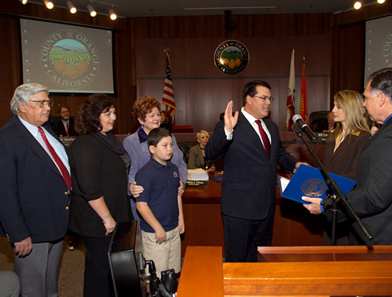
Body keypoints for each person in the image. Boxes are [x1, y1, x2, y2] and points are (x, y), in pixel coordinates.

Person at [303, 68, 392, 254]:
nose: (364, 104)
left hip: (387, 237)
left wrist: (326, 205)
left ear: (382, 99)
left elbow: (374, 196)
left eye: (366, 98)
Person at [0, 83, 71, 296]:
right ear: (21, 106)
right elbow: (2, 192)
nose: (47, 107)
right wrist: (18, 233)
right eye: (40, 103)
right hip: (31, 230)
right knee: (33, 288)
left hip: (55, 221)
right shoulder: (4, 139)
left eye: (47, 102)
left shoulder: (46, 130)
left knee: (50, 283)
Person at [205, 80, 303, 262]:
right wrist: (227, 130)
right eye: (263, 98)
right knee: (237, 262)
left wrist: (297, 166)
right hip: (239, 209)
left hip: (266, 207)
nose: (268, 102)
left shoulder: (271, 127)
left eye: (270, 98)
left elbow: (279, 155)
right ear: (249, 99)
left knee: (258, 260)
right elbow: (211, 152)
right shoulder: (230, 123)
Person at [68, 94, 132, 297]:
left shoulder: (108, 139)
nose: (113, 117)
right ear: (93, 116)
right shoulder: (86, 144)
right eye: (107, 113)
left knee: (109, 270)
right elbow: (89, 187)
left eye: (114, 112)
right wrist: (107, 219)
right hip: (99, 220)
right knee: (99, 271)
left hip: (115, 213)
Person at [123, 96, 187, 229]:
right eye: (151, 115)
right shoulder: (131, 141)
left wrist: (181, 181)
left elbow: (180, 164)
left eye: (158, 114)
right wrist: (131, 186)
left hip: (170, 198)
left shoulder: (170, 137)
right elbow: (131, 169)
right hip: (148, 200)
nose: (157, 118)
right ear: (140, 119)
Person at [317, 90, 371, 245]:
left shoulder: (363, 138)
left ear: (351, 108)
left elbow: (356, 174)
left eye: (338, 107)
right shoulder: (332, 136)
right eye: (334, 105)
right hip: (329, 204)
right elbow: (326, 166)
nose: (333, 111)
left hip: (347, 205)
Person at [135, 127, 185, 279]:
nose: (170, 149)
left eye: (171, 145)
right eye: (164, 145)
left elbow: (178, 195)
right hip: (155, 233)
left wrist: (181, 219)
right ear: (152, 149)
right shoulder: (145, 173)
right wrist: (158, 228)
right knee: (156, 277)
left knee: (173, 273)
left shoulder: (173, 168)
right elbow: (141, 205)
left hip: (173, 229)